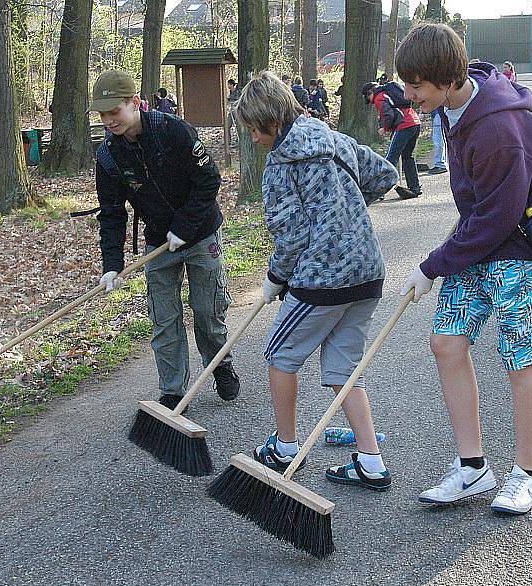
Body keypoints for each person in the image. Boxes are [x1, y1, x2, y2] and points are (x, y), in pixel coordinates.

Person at [396, 23, 532, 515]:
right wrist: (447, 258)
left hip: (518, 251)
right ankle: (473, 468)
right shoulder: (450, 106)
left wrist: (432, 265)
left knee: (520, 359)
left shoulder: (500, 130)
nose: (408, 95)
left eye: (416, 86)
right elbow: (480, 215)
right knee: (446, 343)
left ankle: (526, 474)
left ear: (446, 79)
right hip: (478, 243)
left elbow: (498, 217)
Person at [234, 71, 399, 489]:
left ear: (271, 120)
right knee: (345, 369)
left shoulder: (280, 165)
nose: (253, 138)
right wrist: (349, 216)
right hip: (367, 275)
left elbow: (291, 236)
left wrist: (276, 276)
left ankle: (286, 446)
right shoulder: (334, 139)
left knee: (278, 356)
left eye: (254, 129)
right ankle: (370, 461)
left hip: (321, 280)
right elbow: (384, 175)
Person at [90, 70, 240, 410]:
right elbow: (112, 213)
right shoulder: (109, 156)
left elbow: (208, 182)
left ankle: (219, 364)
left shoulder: (174, 131)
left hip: (201, 234)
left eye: (114, 111)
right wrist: (112, 266)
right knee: (164, 318)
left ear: (134, 103)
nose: (109, 120)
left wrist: (184, 228)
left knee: (207, 310)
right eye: (102, 114)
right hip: (158, 242)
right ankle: (173, 391)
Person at [362, 80, 422, 199]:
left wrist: (384, 128)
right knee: (407, 156)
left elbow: (388, 115)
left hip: (404, 126)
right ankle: (414, 187)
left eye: (368, 97)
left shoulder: (379, 97)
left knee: (390, 159)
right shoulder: (390, 93)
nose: (371, 102)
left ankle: (380, 191)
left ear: (370, 92)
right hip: (415, 122)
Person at [428, 108, 448, 174]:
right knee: (439, 140)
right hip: (438, 114)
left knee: (438, 141)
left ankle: (440, 164)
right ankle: (441, 163)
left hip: (438, 114)